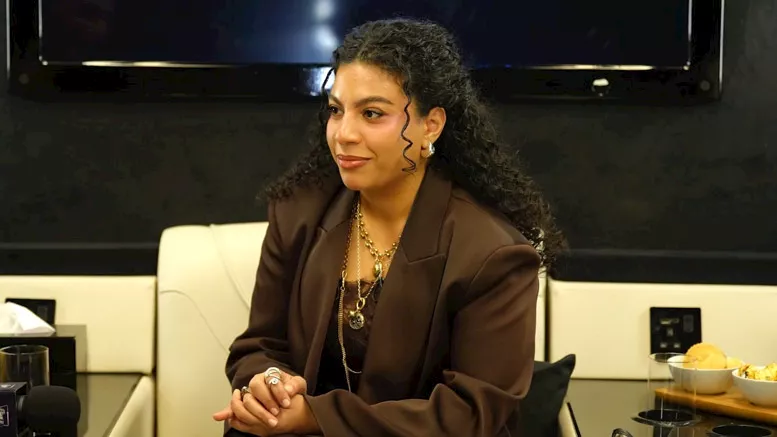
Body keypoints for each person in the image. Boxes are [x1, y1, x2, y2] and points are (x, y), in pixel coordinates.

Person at [212, 17, 564, 437]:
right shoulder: (298, 213)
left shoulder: (493, 254)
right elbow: (259, 346)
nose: (344, 134)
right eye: (336, 111)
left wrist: (315, 416)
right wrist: (270, 386)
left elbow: (470, 415)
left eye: (372, 113)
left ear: (431, 125)